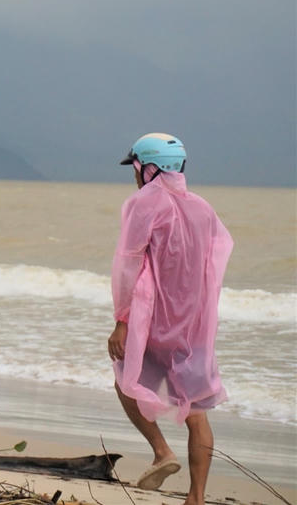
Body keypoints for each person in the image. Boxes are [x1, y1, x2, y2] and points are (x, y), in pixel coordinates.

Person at [108, 133, 233, 504]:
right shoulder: (203, 208)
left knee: (124, 377)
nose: (133, 176)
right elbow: (211, 263)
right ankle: (196, 497)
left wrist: (122, 320)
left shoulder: (143, 204)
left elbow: (129, 263)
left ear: (148, 168)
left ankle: (162, 452)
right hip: (192, 326)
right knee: (195, 411)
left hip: (153, 320)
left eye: (134, 167)